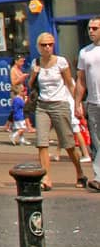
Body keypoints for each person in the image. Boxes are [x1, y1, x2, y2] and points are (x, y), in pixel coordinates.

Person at [29, 34, 90, 191]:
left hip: (60, 105)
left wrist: (77, 104)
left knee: (68, 144)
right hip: (42, 106)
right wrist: (34, 73)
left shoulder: (61, 62)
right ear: (38, 47)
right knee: (42, 143)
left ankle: (80, 173)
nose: (47, 47)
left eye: (50, 44)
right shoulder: (35, 63)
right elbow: (30, 84)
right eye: (44, 45)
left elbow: (70, 84)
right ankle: (46, 178)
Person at [75, 17, 100, 192]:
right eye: (89, 28)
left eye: (95, 28)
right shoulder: (85, 52)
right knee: (97, 142)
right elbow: (81, 80)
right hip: (93, 103)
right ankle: (99, 178)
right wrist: (77, 102)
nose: (91, 31)